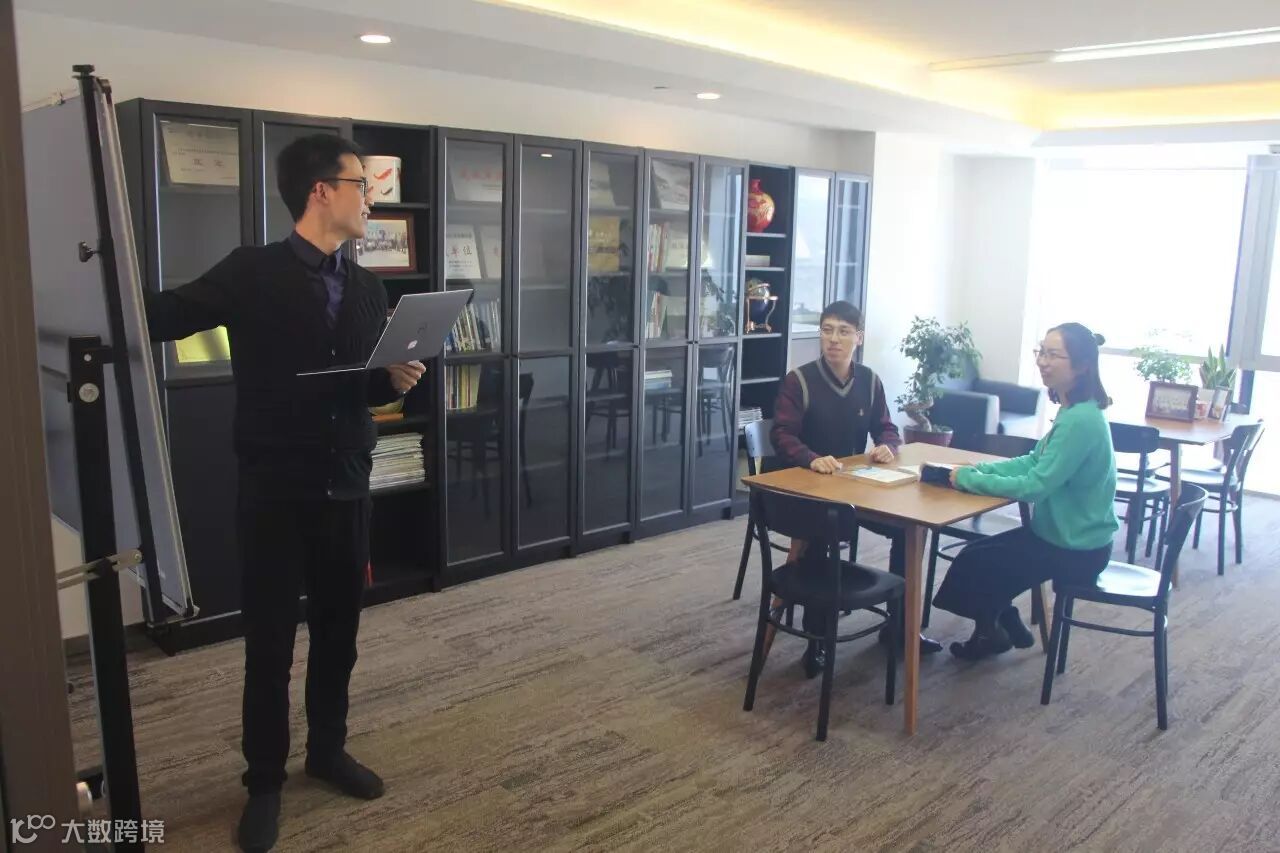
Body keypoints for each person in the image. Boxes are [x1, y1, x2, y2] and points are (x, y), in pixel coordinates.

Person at [145, 134, 425, 852]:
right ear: (320, 191)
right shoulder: (251, 272)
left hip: (347, 485)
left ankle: (326, 751)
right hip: (275, 490)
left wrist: (391, 378)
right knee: (269, 645)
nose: (371, 199)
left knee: (339, 635)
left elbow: (359, 387)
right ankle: (264, 781)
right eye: (362, 185)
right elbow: (161, 316)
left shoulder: (368, 288)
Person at [770, 300, 942, 678]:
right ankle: (817, 639)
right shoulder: (799, 381)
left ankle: (899, 629)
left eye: (843, 332)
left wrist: (887, 446)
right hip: (812, 492)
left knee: (908, 529)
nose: (834, 339)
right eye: (827, 330)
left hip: (857, 489)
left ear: (858, 338)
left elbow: (887, 428)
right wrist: (811, 457)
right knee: (823, 537)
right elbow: (782, 435)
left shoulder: (869, 381)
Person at [933, 323, 1119, 660]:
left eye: (1054, 355)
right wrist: (982, 470)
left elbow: (1035, 486)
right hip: (1062, 536)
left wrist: (968, 480)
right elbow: (1035, 461)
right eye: (1041, 352)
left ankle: (995, 630)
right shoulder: (1074, 410)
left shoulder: (1081, 421)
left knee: (975, 563)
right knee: (976, 556)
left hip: (1075, 547)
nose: (1043, 361)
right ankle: (1000, 624)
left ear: (1081, 365)